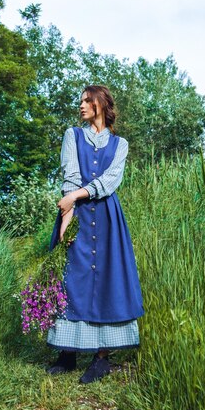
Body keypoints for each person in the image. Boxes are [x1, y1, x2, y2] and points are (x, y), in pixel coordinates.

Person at [46, 85, 144, 384]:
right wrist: (67, 215)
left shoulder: (120, 144)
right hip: (76, 213)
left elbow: (111, 180)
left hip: (107, 220)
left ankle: (101, 358)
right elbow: (71, 175)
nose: (82, 106)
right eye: (81, 102)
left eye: (87, 101)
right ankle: (67, 352)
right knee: (70, 277)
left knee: (106, 280)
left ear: (101, 103)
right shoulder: (72, 135)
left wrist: (76, 195)